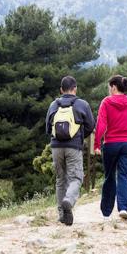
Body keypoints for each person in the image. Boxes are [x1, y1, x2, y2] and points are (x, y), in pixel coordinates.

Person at [94, 75, 127, 221]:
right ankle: (123, 208)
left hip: (111, 144)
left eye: (109, 87)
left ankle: (106, 214)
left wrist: (97, 143)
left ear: (114, 87)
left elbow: (101, 124)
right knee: (124, 176)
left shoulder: (106, 102)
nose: (109, 90)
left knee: (109, 176)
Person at [46, 76, 95, 226]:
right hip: (73, 147)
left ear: (61, 90)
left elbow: (48, 128)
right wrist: (79, 136)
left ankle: (62, 214)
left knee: (60, 180)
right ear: (75, 88)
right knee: (76, 178)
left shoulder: (54, 105)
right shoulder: (82, 104)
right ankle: (69, 201)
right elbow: (91, 126)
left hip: (56, 147)